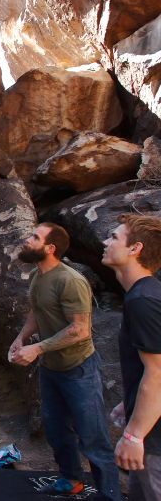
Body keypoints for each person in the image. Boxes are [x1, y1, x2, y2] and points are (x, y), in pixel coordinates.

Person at [9, 223, 120, 500]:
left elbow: (80, 330)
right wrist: (21, 338)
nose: (27, 239)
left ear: (50, 248)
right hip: (51, 370)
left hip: (78, 369)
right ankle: (72, 481)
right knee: (57, 430)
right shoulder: (38, 276)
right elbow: (37, 311)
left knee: (92, 436)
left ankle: (109, 494)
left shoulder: (69, 280)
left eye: (34, 237)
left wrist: (38, 348)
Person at [102, 213, 161, 500]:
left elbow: (158, 373)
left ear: (135, 249)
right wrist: (130, 401)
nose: (105, 241)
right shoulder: (145, 294)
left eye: (113, 237)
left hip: (155, 441)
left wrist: (133, 436)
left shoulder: (143, 301)